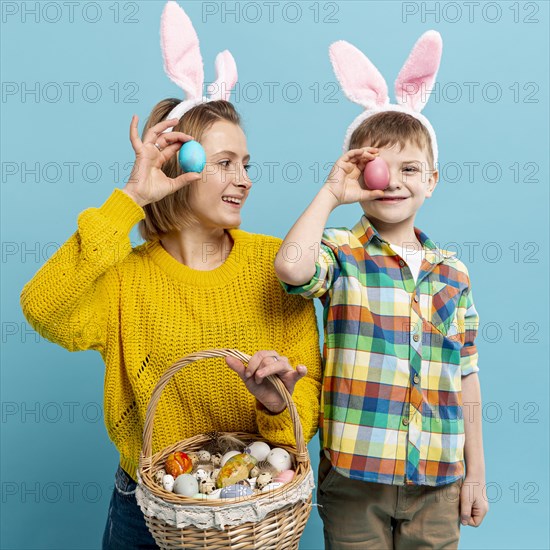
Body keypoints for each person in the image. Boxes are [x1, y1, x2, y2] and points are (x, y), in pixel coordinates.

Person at [20, 5, 322, 545]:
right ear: (180, 166)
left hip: (251, 512)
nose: (245, 179)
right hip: (146, 508)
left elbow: (310, 399)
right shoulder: (126, 278)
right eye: (226, 162)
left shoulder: (277, 264)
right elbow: (43, 307)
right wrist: (129, 200)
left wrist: (275, 402)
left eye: (247, 163)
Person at [274, 32, 487, 549]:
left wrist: (474, 472)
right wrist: (332, 193)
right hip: (354, 473)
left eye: (410, 169)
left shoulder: (453, 273)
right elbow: (290, 268)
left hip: (438, 479)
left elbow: (467, 378)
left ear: (432, 179)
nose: (393, 182)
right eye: (379, 170)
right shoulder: (342, 251)